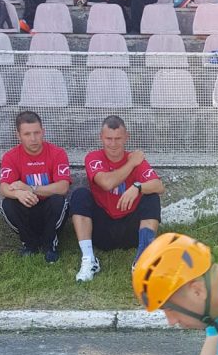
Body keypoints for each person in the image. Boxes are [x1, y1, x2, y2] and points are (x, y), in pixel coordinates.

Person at [69, 115, 163, 283]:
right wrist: (131, 164)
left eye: (118, 138)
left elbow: (159, 185)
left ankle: (142, 260)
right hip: (102, 230)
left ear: (126, 137)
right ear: (101, 137)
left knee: (152, 197)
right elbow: (107, 183)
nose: (113, 144)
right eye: (109, 138)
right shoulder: (94, 157)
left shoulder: (135, 159)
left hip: (131, 229)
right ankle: (89, 260)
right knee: (80, 195)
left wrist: (138, 187)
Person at [0, 111, 71, 262]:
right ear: (18, 136)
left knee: (58, 201)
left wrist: (30, 188)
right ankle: (29, 244)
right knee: (7, 203)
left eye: (37, 133)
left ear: (43, 132)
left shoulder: (57, 153)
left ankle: (50, 245)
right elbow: (4, 188)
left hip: (48, 208)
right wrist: (18, 194)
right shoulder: (10, 156)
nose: (33, 139)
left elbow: (63, 187)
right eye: (27, 134)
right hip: (27, 208)